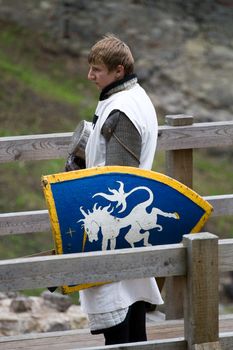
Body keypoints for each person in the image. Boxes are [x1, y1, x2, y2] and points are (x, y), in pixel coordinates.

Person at [75, 34, 163, 345]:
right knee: (133, 303)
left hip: (114, 230)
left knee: (118, 312)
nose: (90, 76)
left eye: (97, 69)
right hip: (126, 228)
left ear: (119, 71)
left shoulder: (123, 110)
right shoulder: (135, 97)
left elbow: (117, 182)